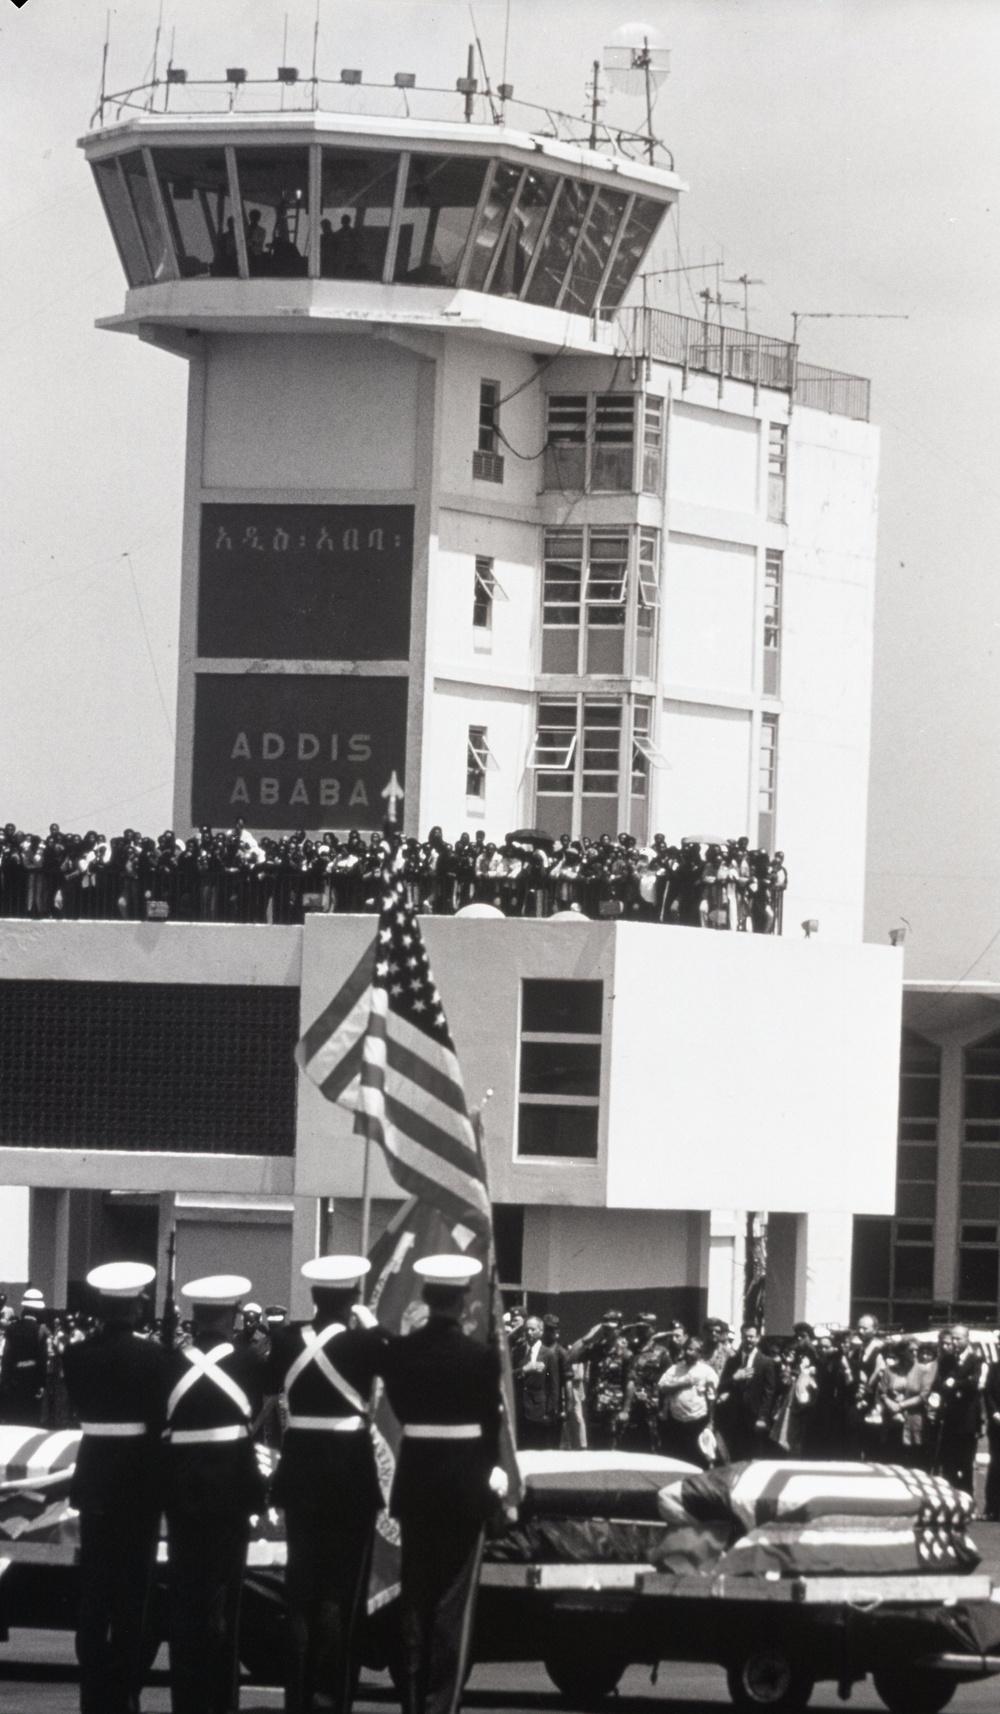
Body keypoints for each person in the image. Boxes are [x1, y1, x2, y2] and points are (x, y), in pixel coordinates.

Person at [381, 1254, 504, 1714]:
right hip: (464, 1486)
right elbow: (492, 1430)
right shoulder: (481, 1356)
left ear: (429, 1299)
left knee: (415, 1598)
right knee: (452, 1606)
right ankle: (438, 1704)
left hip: (415, 1483)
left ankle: (411, 1701)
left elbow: (398, 1405)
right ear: (461, 1300)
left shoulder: (402, 1353)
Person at [266, 1255, 386, 1714]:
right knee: (338, 1595)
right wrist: (372, 1325)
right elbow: (394, 1359)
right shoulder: (362, 1345)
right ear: (353, 1299)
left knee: (300, 1593)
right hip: (349, 1477)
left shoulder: (286, 1339)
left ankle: (297, 1698)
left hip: (299, 1473)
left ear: (314, 1297)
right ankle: (330, 1699)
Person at [61, 1262, 164, 1714]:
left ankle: (92, 1690)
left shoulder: (76, 1354)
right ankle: (124, 1690)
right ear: (137, 1305)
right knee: (132, 1593)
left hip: (95, 1475)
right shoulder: (155, 1356)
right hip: (139, 1481)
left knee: (95, 1590)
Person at [162, 1274, 267, 1714]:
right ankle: (221, 1702)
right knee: (226, 1607)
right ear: (230, 1316)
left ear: (197, 1316)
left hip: (182, 1495)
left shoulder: (168, 1364)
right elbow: (255, 1416)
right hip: (231, 1497)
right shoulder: (248, 1363)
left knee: (185, 1605)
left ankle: (186, 1702)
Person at [715, 1323, 777, 1462]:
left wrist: (762, 1417)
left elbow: (769, 1392)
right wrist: (735, 1378)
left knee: (754, 1458)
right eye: (745, 1337)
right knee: (736, 1458)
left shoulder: (766, 1362)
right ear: (741, 1337)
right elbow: (721, 1387)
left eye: (751, 1337)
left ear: (758, 1338)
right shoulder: (732, 1361)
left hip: (755, 1419)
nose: (748, 1340)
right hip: (735, 1419)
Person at [934, 1324, 982, 1495]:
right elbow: (940, 1384)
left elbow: (974, 1384)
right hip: (950, 1417)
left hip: (967, 1419)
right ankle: (949, 1498)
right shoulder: (947, 1360)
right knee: (948, 1462)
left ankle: (967, 1498)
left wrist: (955, 1383)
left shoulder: (976, 1360)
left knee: (965, 1463)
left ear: (967, 1339)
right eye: (952, 1338)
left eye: (958, 1338)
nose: (954, 1342)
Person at [657, 1335, 718, 1467]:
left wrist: (711, 1423)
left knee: (698, 1461)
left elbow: (712, 1399)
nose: (687, 1352)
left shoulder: (707, 1372)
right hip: (676, 1423)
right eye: (686, 1349)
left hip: (698, 1423)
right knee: (678, 1461)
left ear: (700, 1353)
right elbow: (662, 1387)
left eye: (692, 1350)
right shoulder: (675, 1369)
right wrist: (683, 1383)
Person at [620, 1314, 669, 1452]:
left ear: (653, 1329)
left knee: (652, 1447)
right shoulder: (629, 1350)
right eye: (639, 1328)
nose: (641, 1331)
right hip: (631, 1407)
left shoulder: (662, 1353)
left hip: (651, 1408)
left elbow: (667, 1382)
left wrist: (664, 1409)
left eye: (645, 1328)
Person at [0, 1287, 50, 1423]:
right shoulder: (40, 1331)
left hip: (13, 1381)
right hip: (32, 1382)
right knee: (30, 1420)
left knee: (14, 1421)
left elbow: (6, 1357)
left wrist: (5, 1382)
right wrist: (41, 1384)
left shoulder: (11, 1328)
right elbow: (42, 1359)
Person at [513, 1315, 563, 1449]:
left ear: (541, 1331)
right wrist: (524, 1369)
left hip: (538, 1411)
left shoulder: (548, 1354)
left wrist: (550, 1412)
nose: (529, 1333)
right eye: (527, 1329)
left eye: (533, 1329)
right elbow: (509, 1375)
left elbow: (554, 1385)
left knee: (537, 1449)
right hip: (520, 1411)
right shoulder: (518, 1352)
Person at [984, 1347, 1000, 1520]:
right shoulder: (994, 1368)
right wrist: (994, 1413)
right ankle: (993, 1508)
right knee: (996, 1466)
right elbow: (988, 1393)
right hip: (997, 1425)